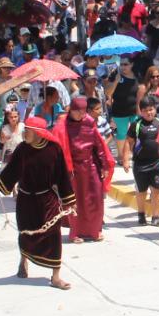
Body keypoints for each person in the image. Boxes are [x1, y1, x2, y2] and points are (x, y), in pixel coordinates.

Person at [0, 114, 77, 289]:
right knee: (26, 233)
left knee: (53, 235)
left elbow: (62, 177)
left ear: (38, 133)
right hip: (25, 200)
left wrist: (69, 200)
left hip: (47, 200)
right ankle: (23, 260)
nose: (24, 134)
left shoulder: (54, 150)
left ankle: (55, 276)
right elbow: (11, 171)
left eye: (28, 131)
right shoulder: (22, 149)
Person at [54, 96, 116, 243]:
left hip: (91, 165)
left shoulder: (89, 122)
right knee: (75, 201)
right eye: (77, 112)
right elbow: (58, 148)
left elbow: (99, 145)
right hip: (73, 169)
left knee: (96, 199)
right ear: (71, 110)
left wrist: (104, 165)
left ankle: (95, 231)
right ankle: (75, 233)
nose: (80, 115)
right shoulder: (63, 125)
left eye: (83, 112)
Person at [125, 97, 159, 227]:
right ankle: (141, 214)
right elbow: (128, 142)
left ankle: (156, 216)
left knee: (157, 190)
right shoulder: (136, 125)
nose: (149, 113)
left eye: (151, 109)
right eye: (146, 110)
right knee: (142, 191)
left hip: (157, 162)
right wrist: (126, 159)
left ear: (155, 109)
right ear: (141, 111)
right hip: (140, 164)